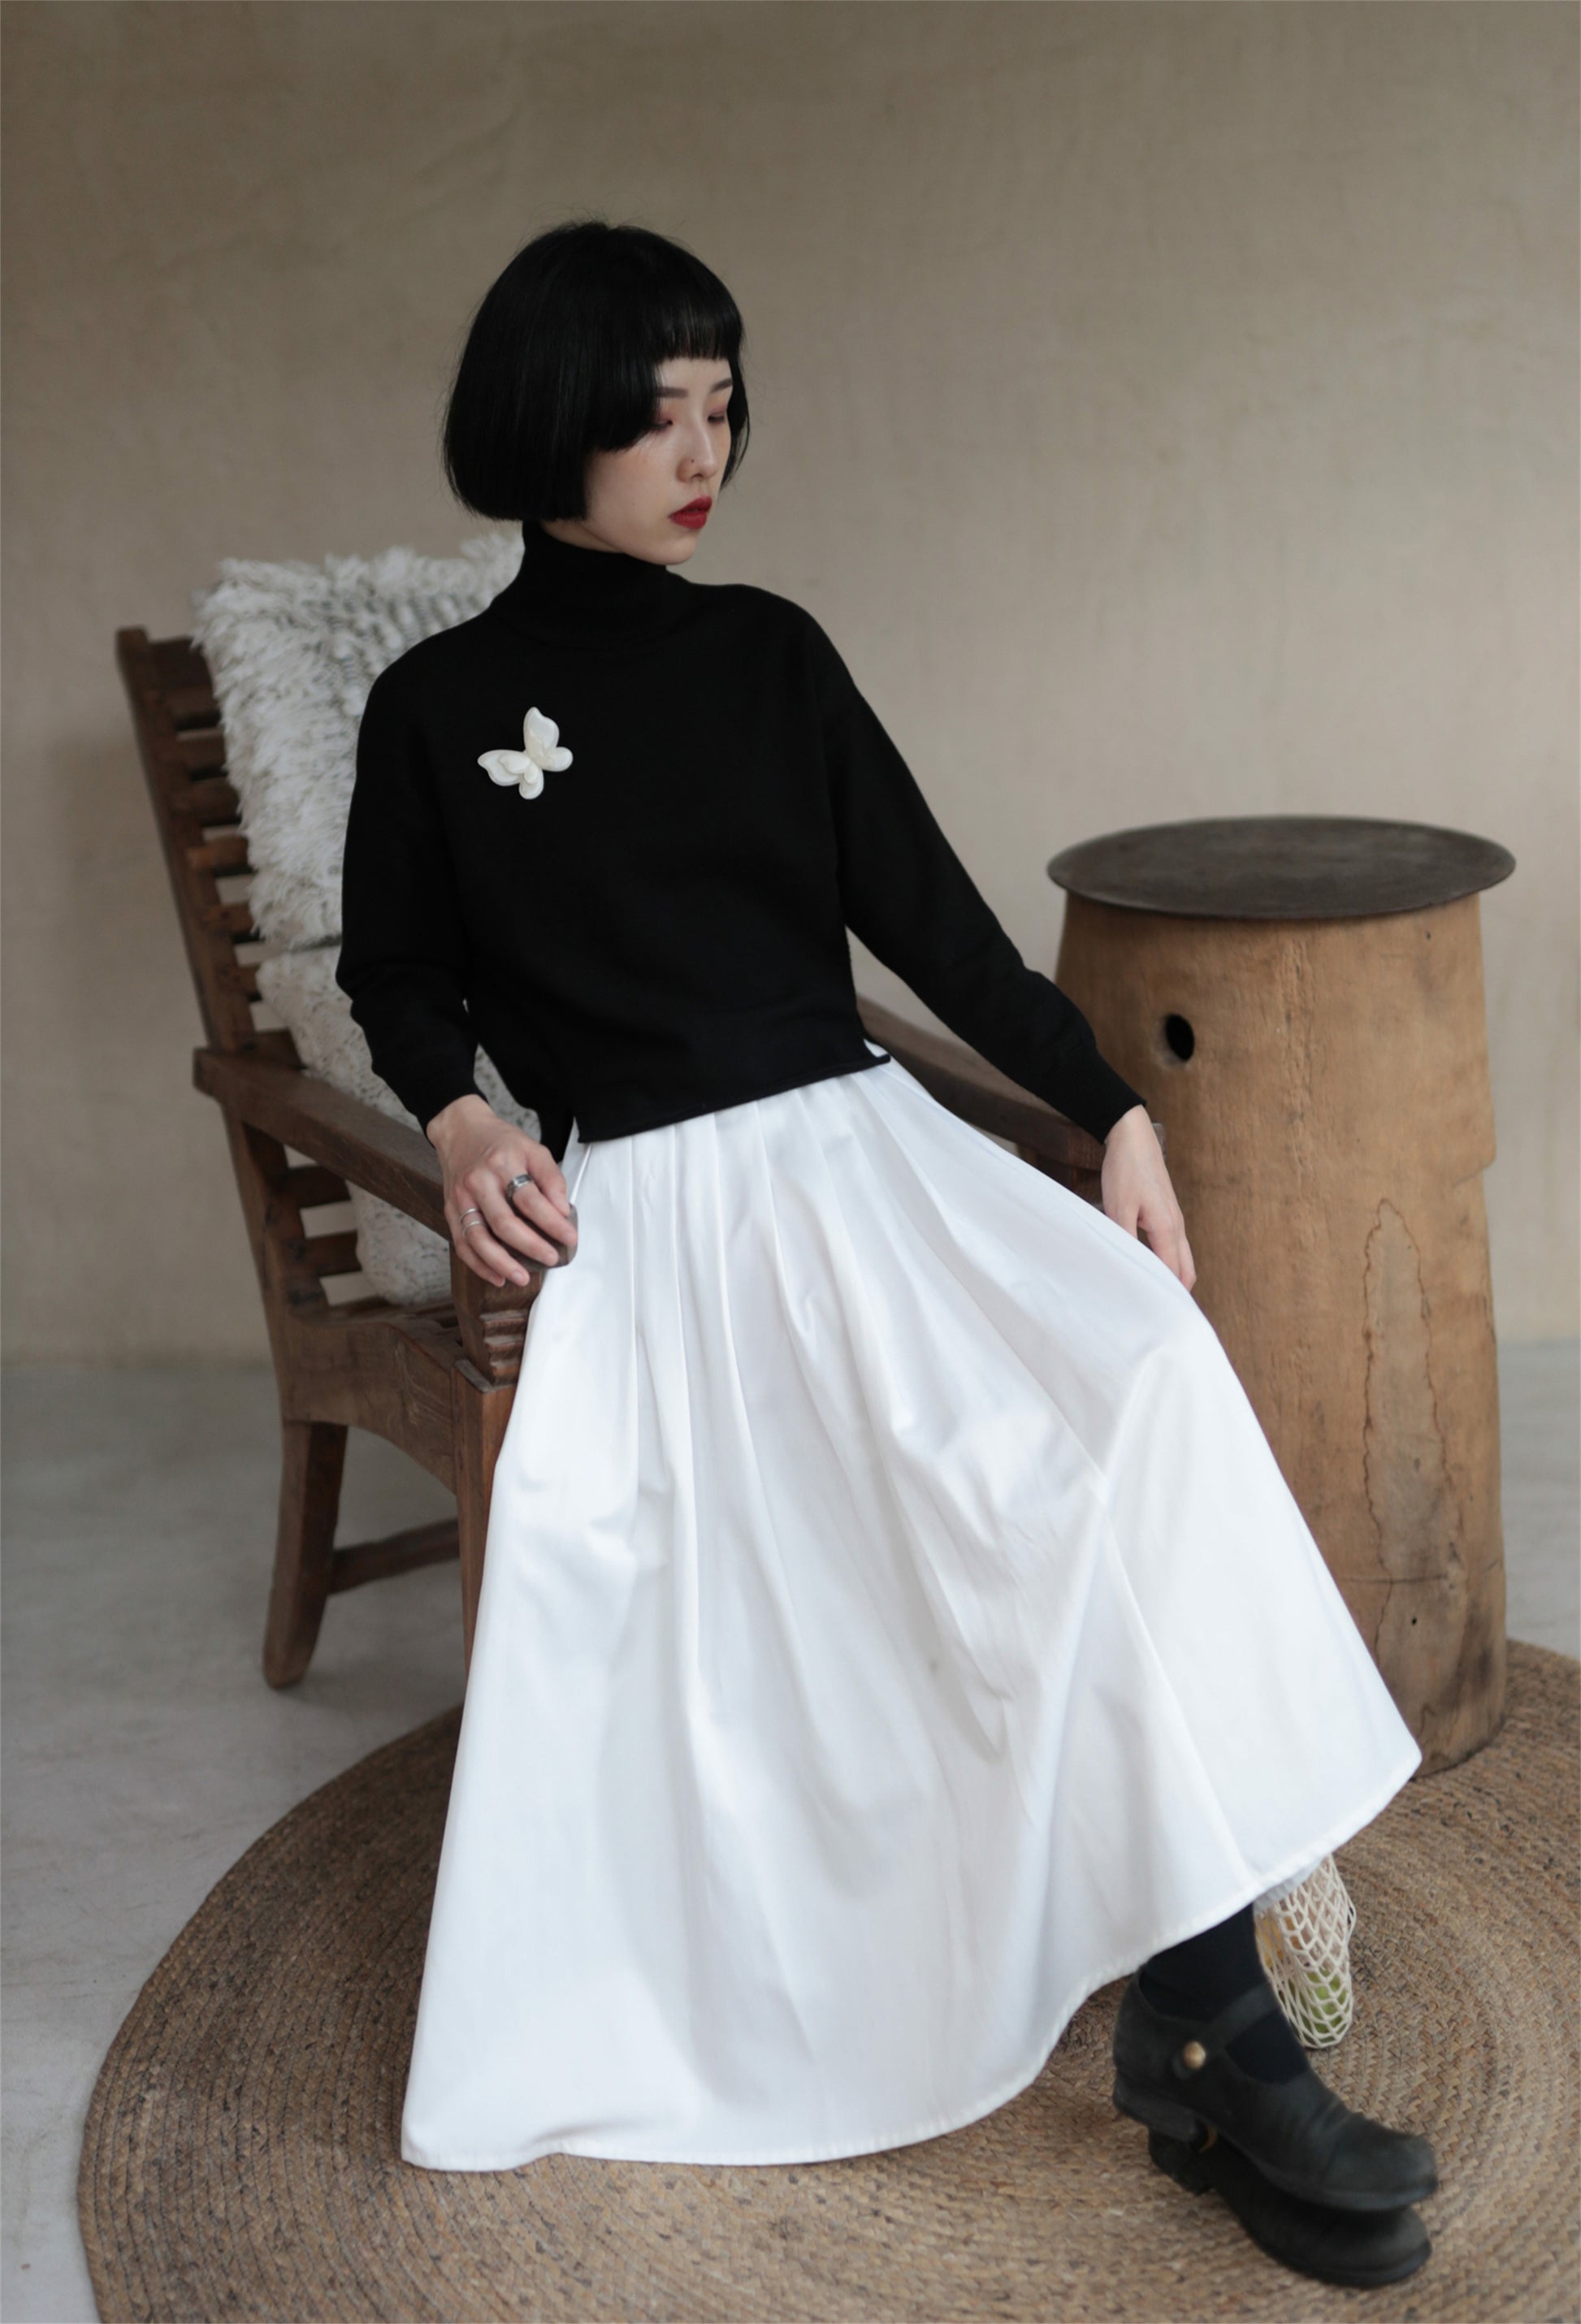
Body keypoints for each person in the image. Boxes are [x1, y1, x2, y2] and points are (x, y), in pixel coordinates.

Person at [336, 218, 1438, 2289]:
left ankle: (1205, 2005)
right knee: (914, 1514)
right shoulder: (436, 708)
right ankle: (1216, 2042)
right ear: (548, 423)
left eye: (723, 406)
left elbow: (937, 929)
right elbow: (395, 972)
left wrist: (1113, 1110)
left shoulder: (772, 655)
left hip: (864, 1160)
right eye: (659, 413)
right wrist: (461, 1115)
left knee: (1128, 1389)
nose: (705, 453)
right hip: (653, 1215)